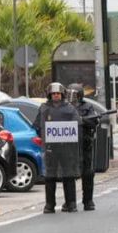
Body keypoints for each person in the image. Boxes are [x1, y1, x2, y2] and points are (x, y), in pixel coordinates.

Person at [34, 82, 83, 213]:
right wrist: (45, 137)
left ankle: (71, 203)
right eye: (53, 93)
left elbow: (77, 125)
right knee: (50, 176)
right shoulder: (44, 109)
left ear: (62, 94)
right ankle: (50, 205)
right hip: (50, 148)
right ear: (49, 95)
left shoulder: (70, 108)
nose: (56, 95)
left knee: (69, 175)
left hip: (67, 148)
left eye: (58, 93)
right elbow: (37, 126)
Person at [67, 84, 100, 211]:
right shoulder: (63, 107)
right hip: (68, 146)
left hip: (84, 144)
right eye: (69, 94)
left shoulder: (87, 107)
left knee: (88, 173)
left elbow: (94, 121)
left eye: (74, 94)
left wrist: (82, 120)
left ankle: (88, 200)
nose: (71, 97)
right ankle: (70, 202)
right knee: (68, 174)